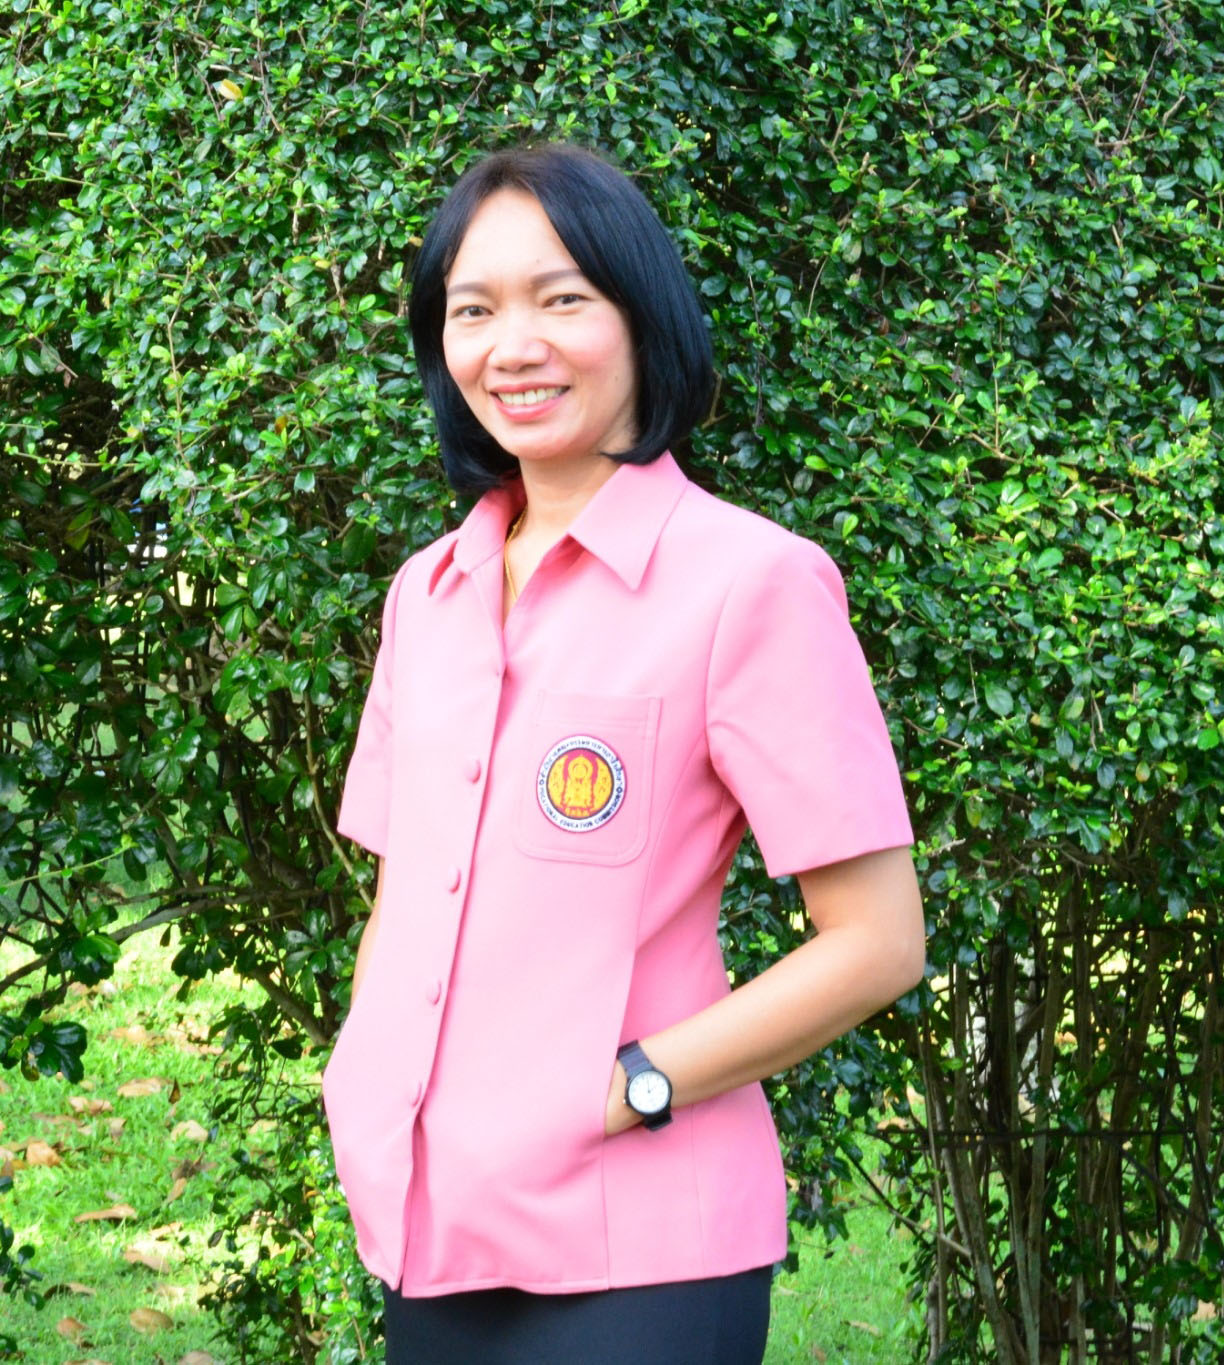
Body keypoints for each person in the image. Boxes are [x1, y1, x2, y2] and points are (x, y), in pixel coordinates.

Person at [322, 142, 925, 1364]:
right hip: (427, 1223)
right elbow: (405, 896)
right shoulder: (426, 595)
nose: (513, 346)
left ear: (642, 317)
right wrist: (363, 1075)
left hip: (642, 1250)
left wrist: (629, 1087)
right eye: (473, 310)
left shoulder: (751, 584)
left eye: (562, 299)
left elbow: (878, 942)